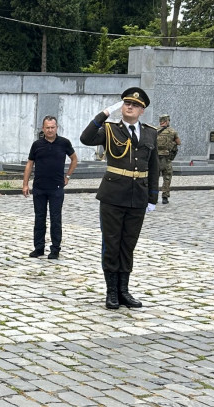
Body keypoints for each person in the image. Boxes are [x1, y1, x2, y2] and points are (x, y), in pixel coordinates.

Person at [80, 87, 159, 310]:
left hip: (138, 197)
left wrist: (152, 197)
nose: (130, 106)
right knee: (112, 245)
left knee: (128, 245)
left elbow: (154, 167)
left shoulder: (150, 133)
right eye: (126, 103)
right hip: (113, 196)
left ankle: (124, 291)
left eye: (135, 105)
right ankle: (112, 292)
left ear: (142, 110)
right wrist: (103, 114)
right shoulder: (110, 129)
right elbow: (85, 138)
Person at [22, 116, 78, 259]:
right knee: (39, 218)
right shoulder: (37, 145)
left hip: (56, 187)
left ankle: (55, 249)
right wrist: (25, 183)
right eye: (47, 127)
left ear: (56, 128)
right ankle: (39, 247)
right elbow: (29, 164)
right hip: (40, 187)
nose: (50, 130)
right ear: (43, 128)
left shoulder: (64, 143)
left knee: (55, 219)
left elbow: (74, 159)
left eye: (52, 127)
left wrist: (68, 176)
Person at [156, 114, 181, 204]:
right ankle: (165, 197)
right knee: (167, 178)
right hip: (166, 159)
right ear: (167, 121)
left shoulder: (154, 131)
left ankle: (153, 196)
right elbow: (179, 142)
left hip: (156, 159)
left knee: (154, 178)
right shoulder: (172, 131)